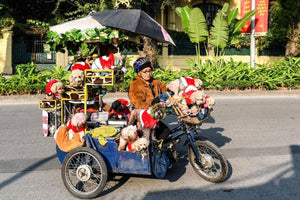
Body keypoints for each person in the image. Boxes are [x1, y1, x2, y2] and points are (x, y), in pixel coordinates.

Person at [128, 57, 170, 141]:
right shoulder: (135, 84)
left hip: (154, 114)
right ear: (139, 73)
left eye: (149, 70)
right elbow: (138, 103)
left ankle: (157, 149)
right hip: (141, 117)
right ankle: (153, 150)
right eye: (145, 71)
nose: (148, 73)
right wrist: (151, 107)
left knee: (166, 132)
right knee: (162, 132)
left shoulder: (155, 82)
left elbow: (165, 90)